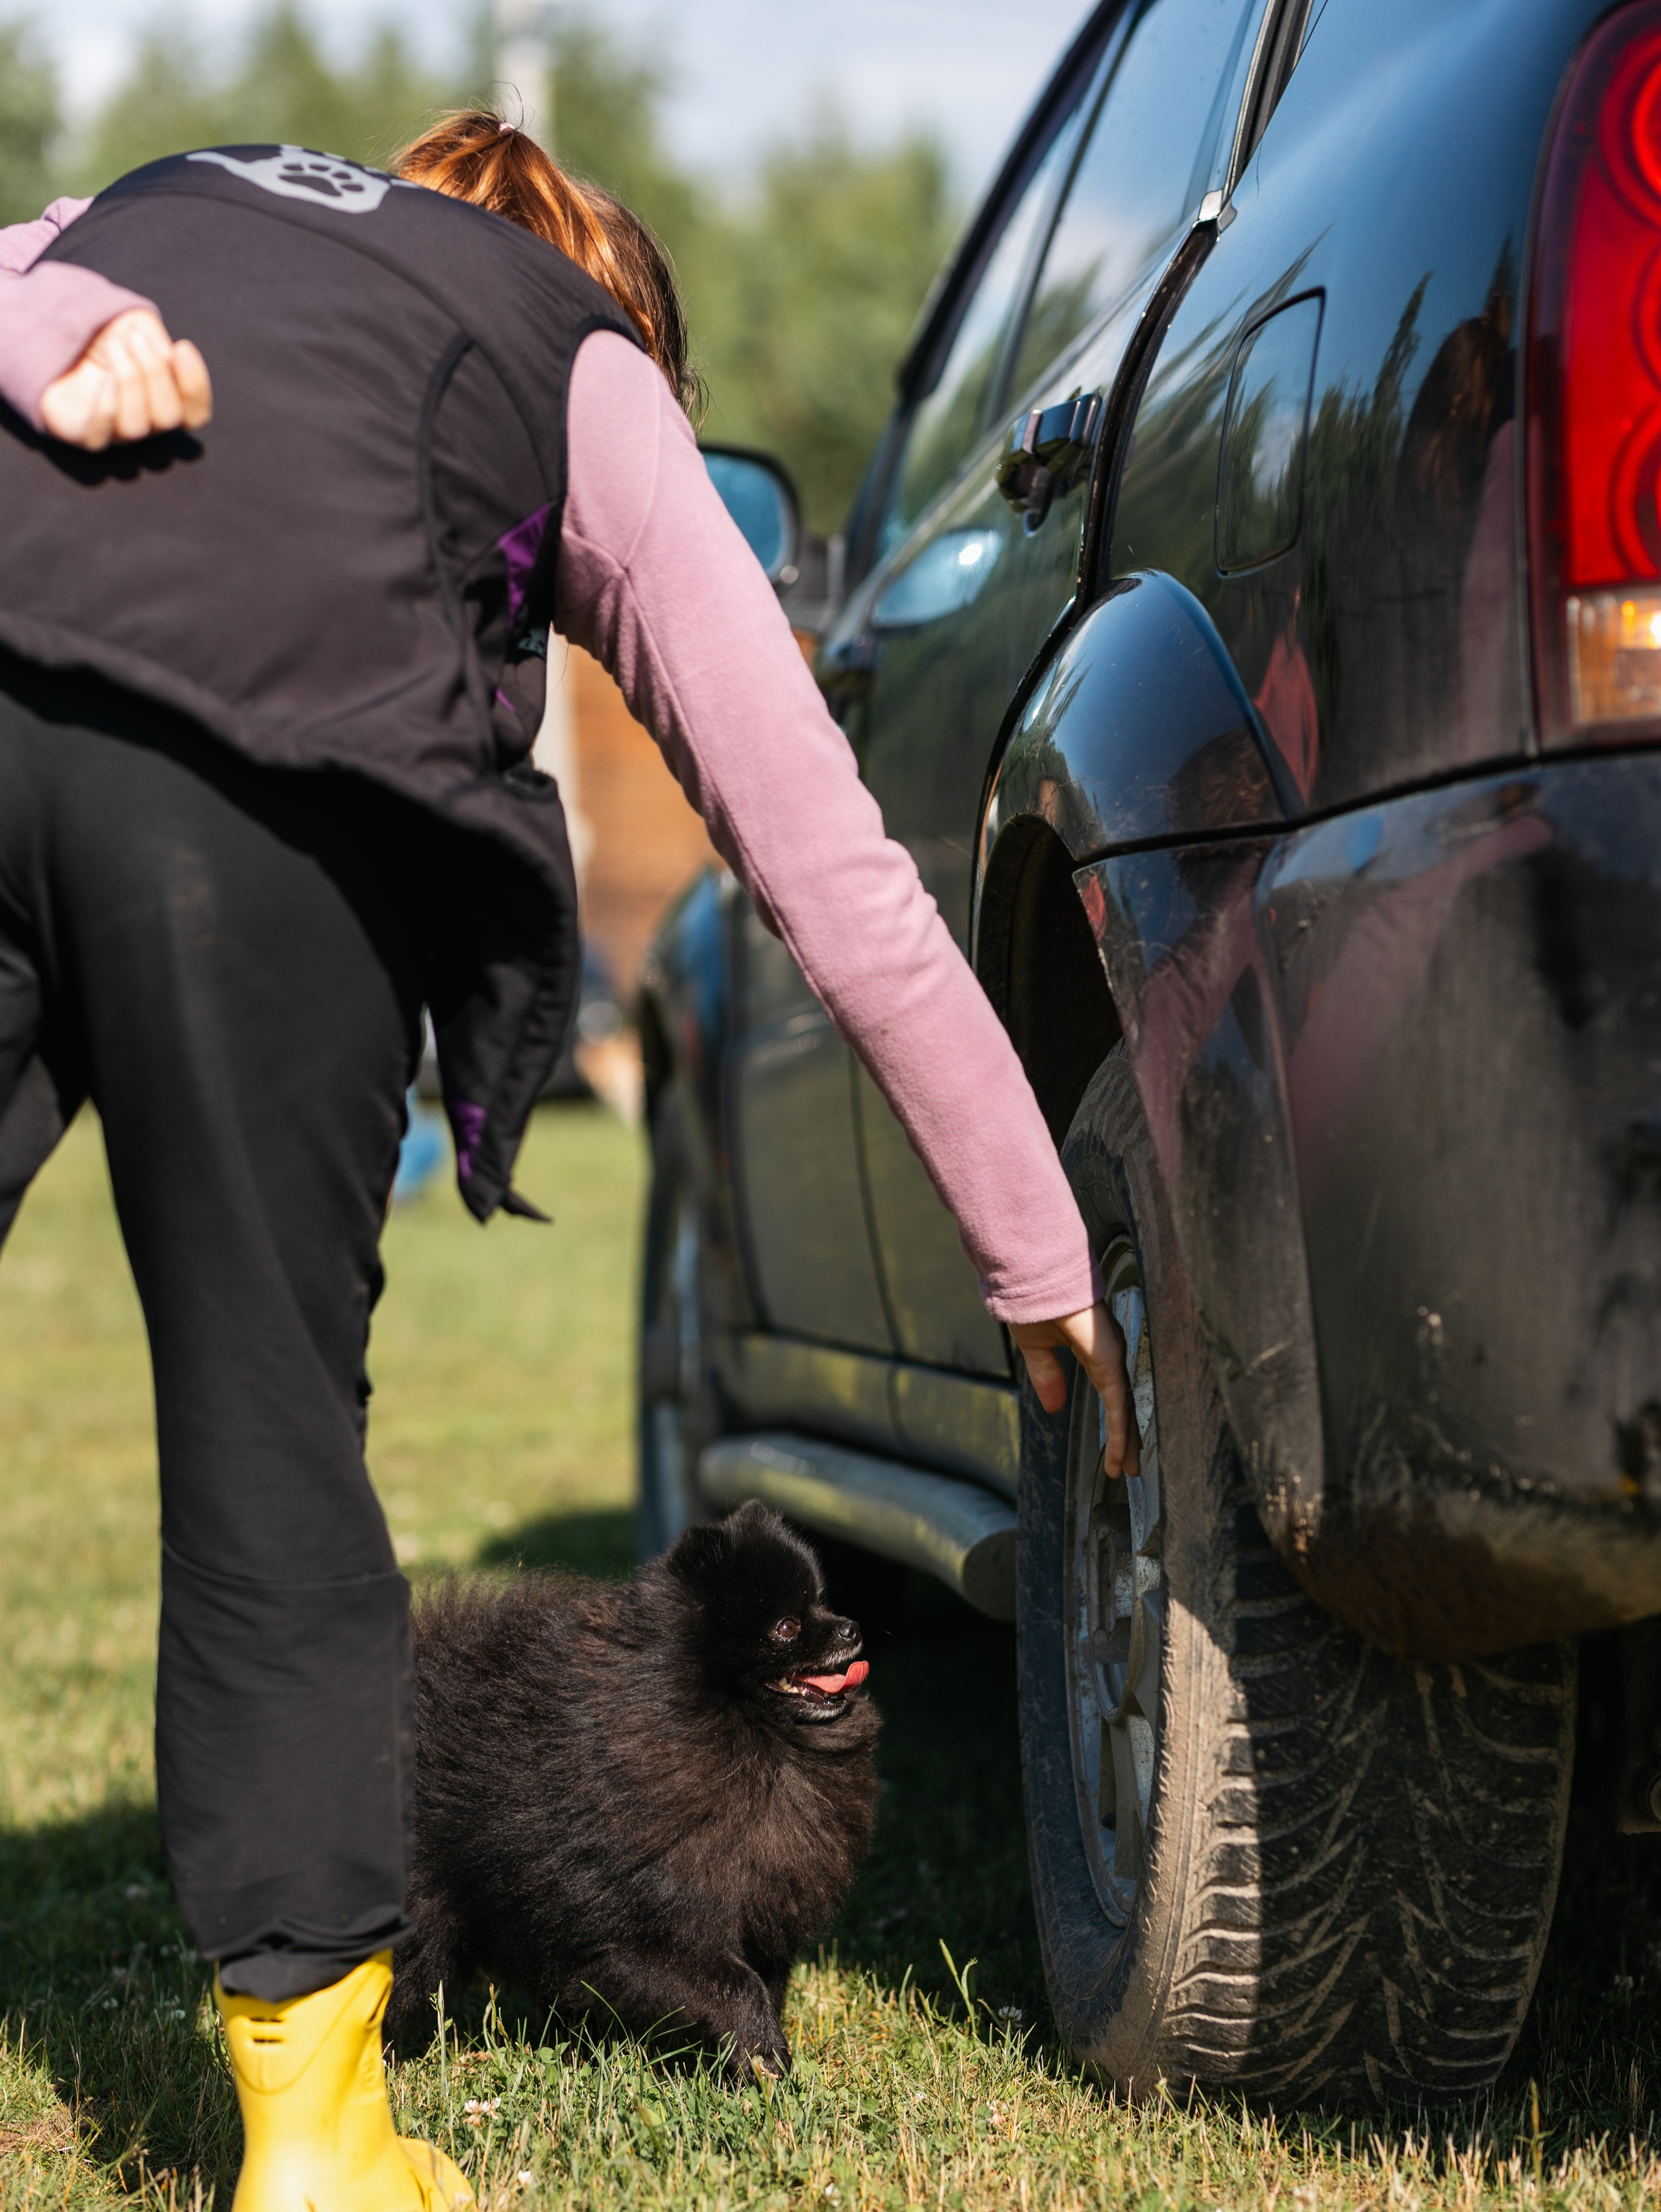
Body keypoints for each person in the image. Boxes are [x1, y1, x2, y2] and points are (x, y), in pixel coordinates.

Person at [0, 117, 1137, 2209]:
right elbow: (835, 873)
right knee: (269, 1438)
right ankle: (317, 2141)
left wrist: (55, 334)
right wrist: (1039, 1241)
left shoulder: (185, 194)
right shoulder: (583, 373)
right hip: (264, 771)